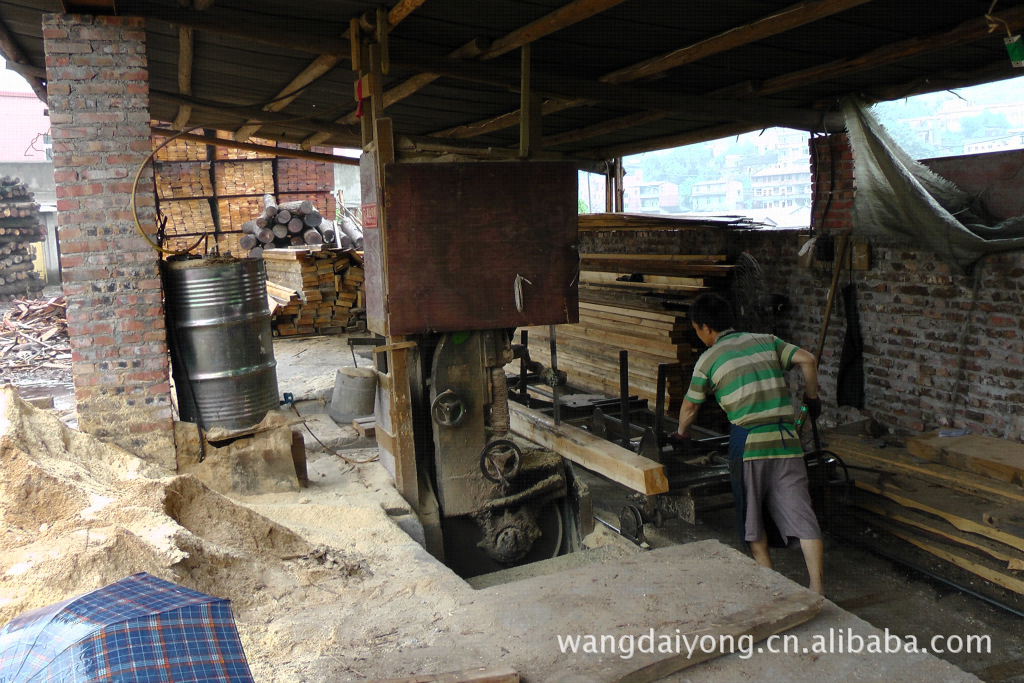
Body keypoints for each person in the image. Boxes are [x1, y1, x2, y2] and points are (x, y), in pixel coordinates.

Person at [672, 293, 824, 595]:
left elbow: (690, 409)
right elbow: (808, 359)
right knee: (803, 516)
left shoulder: (707, 360)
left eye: (697, 330)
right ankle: (817, 589)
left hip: (750, 443)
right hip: (787, 441)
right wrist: (812, 397)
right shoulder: (766, 340)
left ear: (705, 328)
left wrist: (681, 435)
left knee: (752, 524)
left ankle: (773, 591)